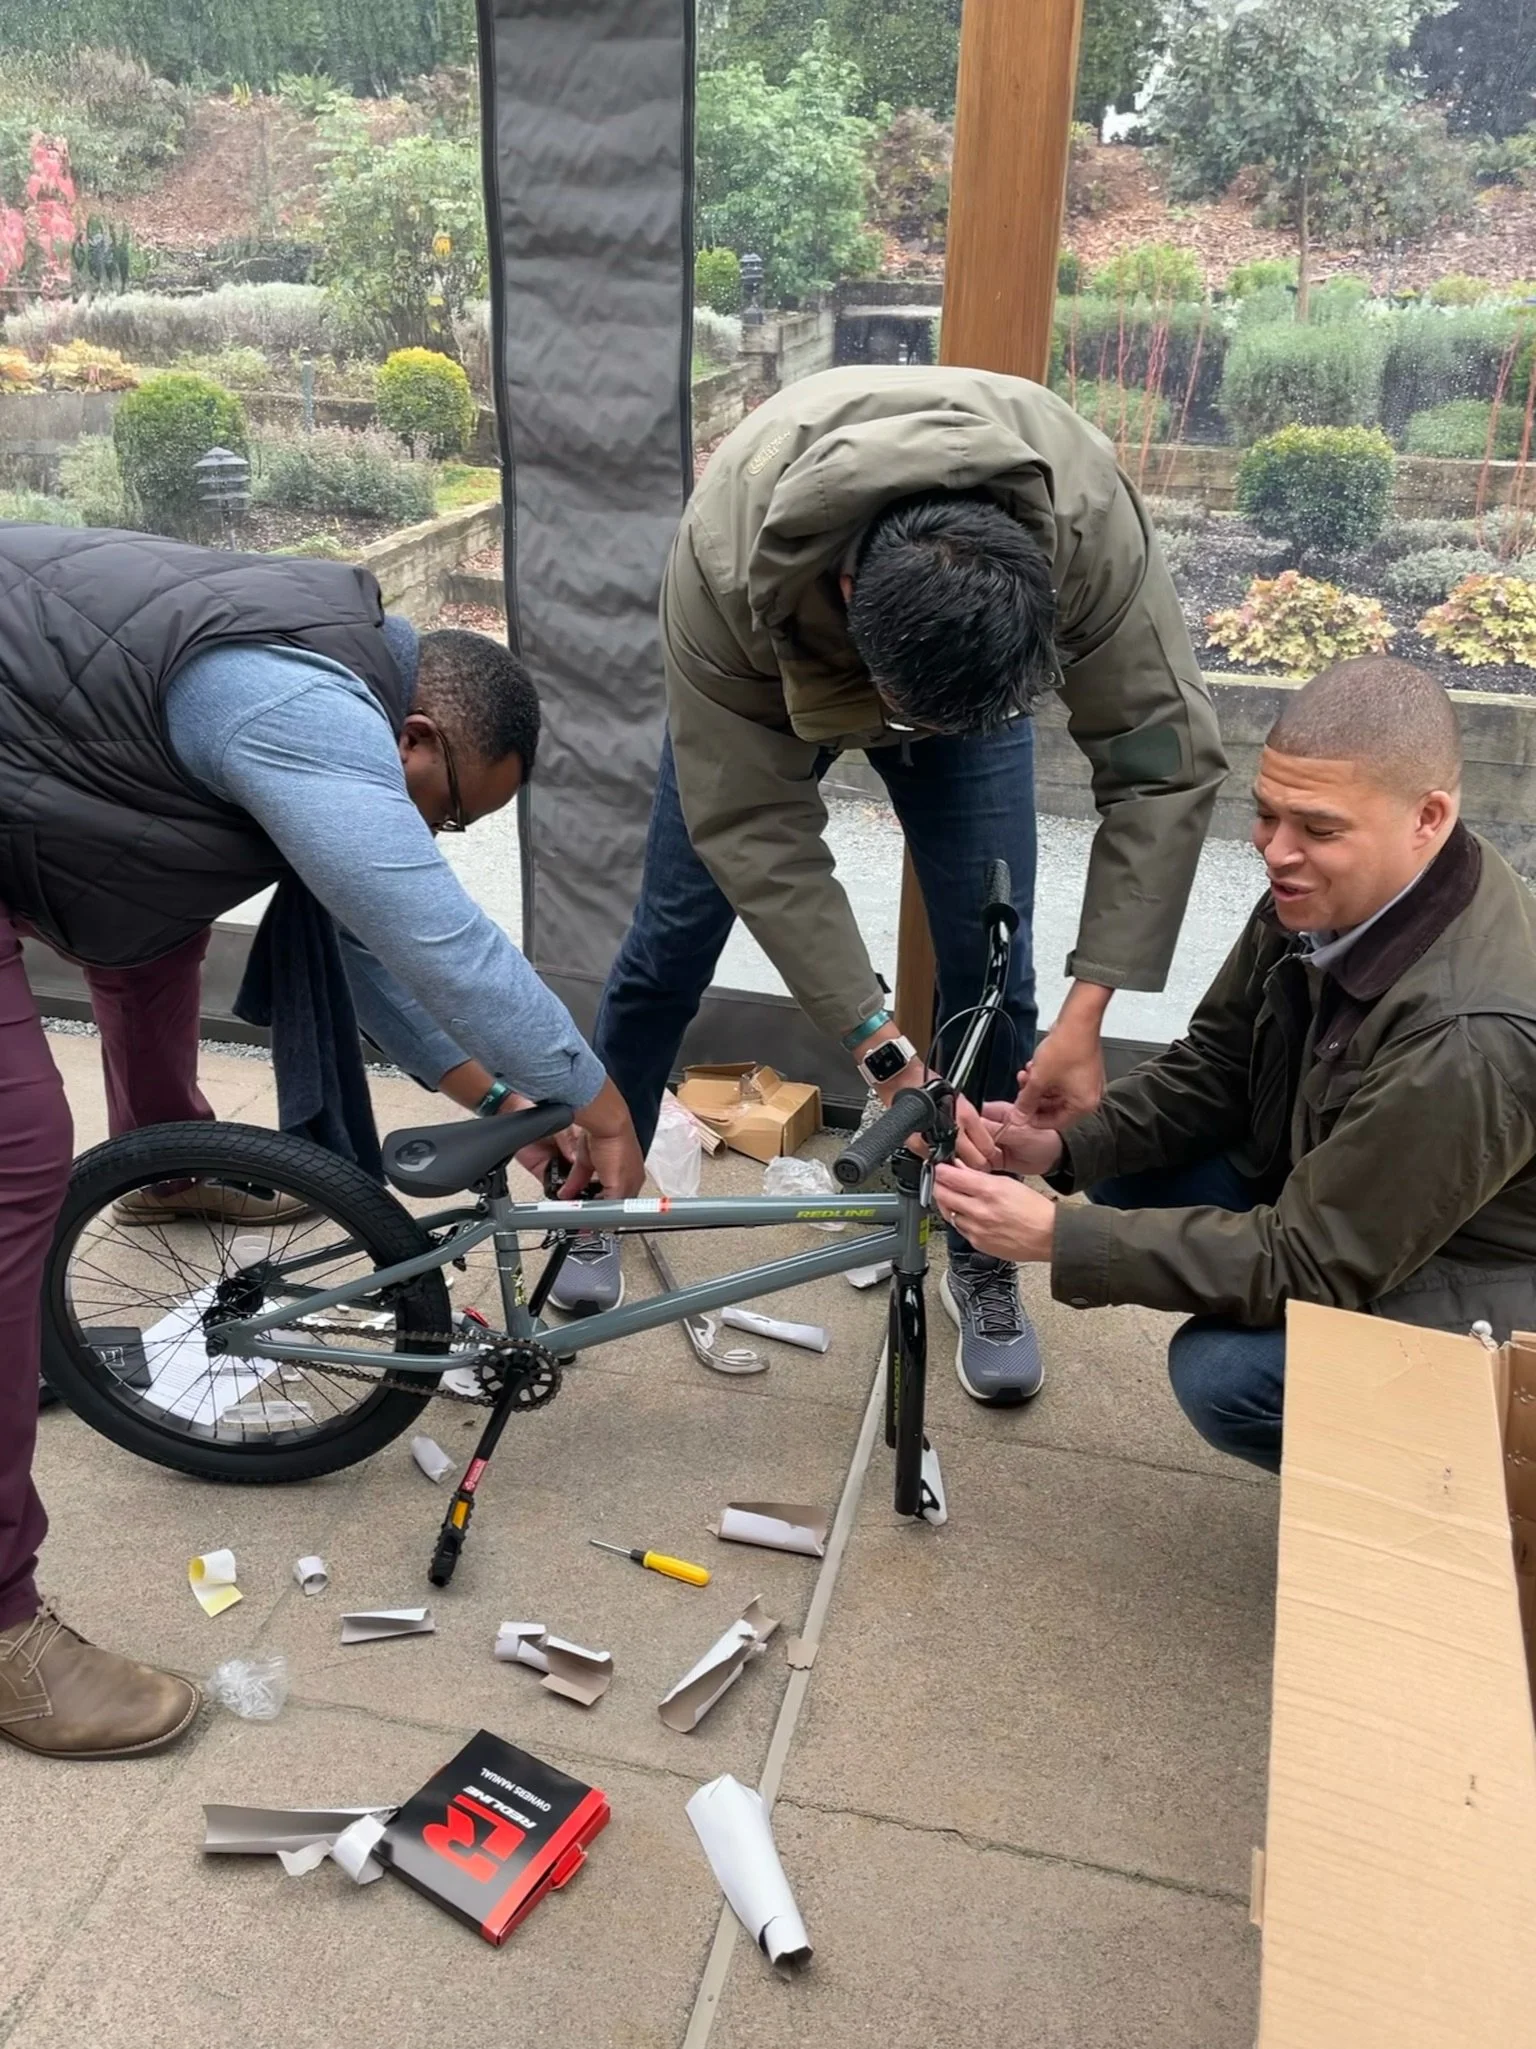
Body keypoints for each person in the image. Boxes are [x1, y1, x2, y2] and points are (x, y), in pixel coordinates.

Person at [0, 523, 645, 1762]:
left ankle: (165, 1178)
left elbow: (371, 962)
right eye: (450, 811)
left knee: (155, 941)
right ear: (414, 740)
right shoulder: (293, 698)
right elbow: (423, 928)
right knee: (23, 1147)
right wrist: (592, 1095)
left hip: (49, 783)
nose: (438, 839)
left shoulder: (325, 672)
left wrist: (509, 1108)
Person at [571, 365, 1226, 1406]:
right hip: (771, 672)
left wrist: (1093, 1007)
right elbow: (753, 828)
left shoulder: (1085, 524)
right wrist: (881, 1051)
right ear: (844, 599)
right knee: (668, 946)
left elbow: (1164, 764)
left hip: (958, 657)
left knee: (992, 970)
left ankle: (978, 1240)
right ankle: (595, 1200)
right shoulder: (724, 557)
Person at [933, 657, 1536, 1472]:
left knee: (1226, 1376)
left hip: (1487, 1277)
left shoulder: (1470, 1035)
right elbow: (1219, 1063)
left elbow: (1312, 1261)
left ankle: (1449, 1488)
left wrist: (1059, 1238)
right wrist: (1064, 1147)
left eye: (1317, 829)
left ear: (1428, 816)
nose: (1276, 851)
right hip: (1362, 1196)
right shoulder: (1332, 888)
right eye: (1265, 814)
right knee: (1121, 1169)